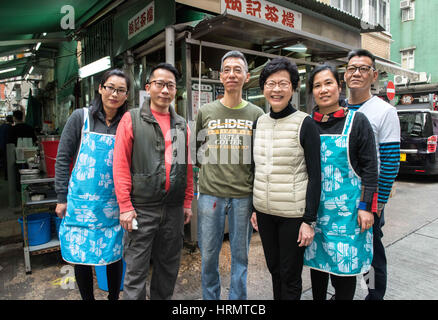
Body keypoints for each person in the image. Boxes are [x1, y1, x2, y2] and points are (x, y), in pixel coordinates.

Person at [113, 63, 193, 300]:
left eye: (170, 85)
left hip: (173, 209)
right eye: (159, 84)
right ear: (148, 87)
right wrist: (125, 207)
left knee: (167, 271)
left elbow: (187, 166)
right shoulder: (132, 119)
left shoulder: (181, 125)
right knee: (136, 272)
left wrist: (187, 201)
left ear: (175, 90)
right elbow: (120, 165)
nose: (165, 90)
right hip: (141, 210)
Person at [304, 64, 378, 300]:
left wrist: (367, 207)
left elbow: (370, 169)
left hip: (349, 216)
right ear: (312, 92)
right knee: (318, 267)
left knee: (345, 271)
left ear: (339, 86)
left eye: (328, 83)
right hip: (316, 213)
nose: (323, 90)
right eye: (317, 85)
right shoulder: (308, 123)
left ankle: (370, 293)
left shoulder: (358, 121)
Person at [55, 69, 130, 300]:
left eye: (120, 90)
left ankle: (113, 298)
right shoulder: (81, 117)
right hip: (81, 202)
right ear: (100, 88)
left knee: (114, 253)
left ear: (126, 95)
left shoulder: (126, 123)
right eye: (110, 87)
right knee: (82, 255)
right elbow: (63, 157)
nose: (114, 94)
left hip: (113, 202)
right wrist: (61, 197)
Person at [250, 57, 321, 300]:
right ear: (263, 89)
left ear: (293, 87)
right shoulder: (259, 122)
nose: (276, 89)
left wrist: (308, 220)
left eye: (283, 83)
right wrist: (253, 208)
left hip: (293, 215)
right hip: (265, 212)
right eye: (271, 84)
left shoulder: (305, 123)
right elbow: (255, 168)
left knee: (290, 275)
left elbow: (315, 176)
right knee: (274, 271)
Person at [195, 50, 264, 300]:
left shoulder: (257, 115)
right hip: (210, 195)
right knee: (209, 254)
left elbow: (260, 158)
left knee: (240, 256)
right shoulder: (206, 112)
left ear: (246, 77)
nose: (232, 74)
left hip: (243, 196)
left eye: (238, 70)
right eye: (227, 69)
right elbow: (195, 151)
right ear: (221, 76)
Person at [344, 49, 400, 300]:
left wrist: (380, 201)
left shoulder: (384, 111)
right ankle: (343, 292)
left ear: (374, 75)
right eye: (351, 68)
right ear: (345, 75)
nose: (356, 73)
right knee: (344, 249)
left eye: (363, 68)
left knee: (371, 252)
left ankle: (374, 294)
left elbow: (389, 161)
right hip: (343, 195)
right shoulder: (341, 108)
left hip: (370, 197)